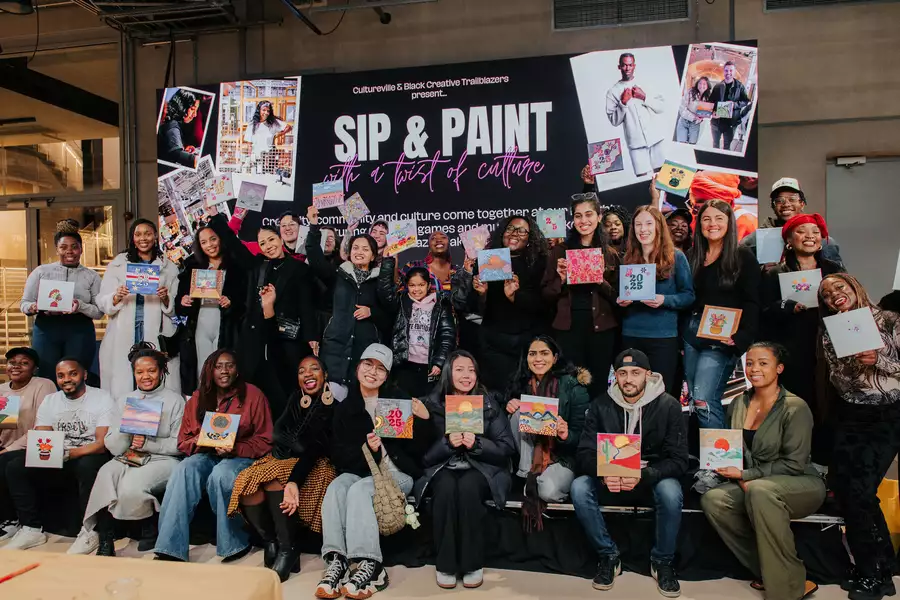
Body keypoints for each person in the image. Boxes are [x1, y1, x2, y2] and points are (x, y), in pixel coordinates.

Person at [701, 342, 823, 600]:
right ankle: (772, 571)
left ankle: (786, 591)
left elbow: (795, 464)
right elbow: (732, 448)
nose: (754, 369)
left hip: (800, 483)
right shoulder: (737, 403)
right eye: (749, 363)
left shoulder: (795, 407)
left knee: (759, 491)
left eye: (763, 363)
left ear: (779, 368)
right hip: (756, 484)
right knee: (714, 499)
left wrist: (747, 476)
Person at [316, 344, 429, 600]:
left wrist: (423, 420)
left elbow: (419, 449)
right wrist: (367, 449)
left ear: (387, 375)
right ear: (357, 368)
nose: (373, 372)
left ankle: (371, 565)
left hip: (396, 474)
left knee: (359, 490)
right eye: (368, 364)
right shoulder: (346, 408)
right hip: (360, 470)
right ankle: (337, 560)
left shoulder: (397, 401)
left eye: (380, 368)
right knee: (336, 486)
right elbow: (339, 456)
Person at [570, 349, 688, 596]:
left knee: (671, 491)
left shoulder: (669, 405)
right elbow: (583, 454)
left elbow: (678, 461)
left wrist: (642, 475)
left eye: (636, 373)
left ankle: (662, 561)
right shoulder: (601, 404)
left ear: (648, 374)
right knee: (579, 487)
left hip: (650, 476)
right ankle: (609, 556)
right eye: (622, 373)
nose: (628, 379)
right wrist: (604, 473)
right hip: (611, 476)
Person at [820, 273, 900, 599]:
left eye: (839, 286)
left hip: (888, 415)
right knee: (845, 488)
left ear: (854, 287)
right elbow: (838, 380)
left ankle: (873, 574)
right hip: (851, 415)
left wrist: (878, 357)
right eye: (826, 294)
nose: (834, 294)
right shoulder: (830, 332)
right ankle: (882, 566)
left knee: (861, 493)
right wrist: (853, 361)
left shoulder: (891, 320)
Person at [154, 350, 273, 562]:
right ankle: (169, 547)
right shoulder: (199, 397)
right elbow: (183, 441)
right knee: (184, 469)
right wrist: (202, 441)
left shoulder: (253, 395)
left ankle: (234, 542)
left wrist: (236, 448)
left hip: (240, 456)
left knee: (221, 475)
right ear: (210, 370)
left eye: (230, 365)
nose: (224, 371)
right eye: (218, 366)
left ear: (237, 370)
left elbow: (265, 440)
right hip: (206, 454)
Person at [69, 343, 185, 557]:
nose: (145, 376)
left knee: (130, 487)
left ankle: (150, 524)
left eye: (151, 370)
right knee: (105, 474)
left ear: (162, 371)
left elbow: (179, 445)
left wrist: (149, 444)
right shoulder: (124, 400)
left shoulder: (175, 400)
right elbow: (112, 446)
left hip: (163, 459)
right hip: (128, 456)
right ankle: (103, 536)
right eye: (139, 372)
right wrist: (126, 430)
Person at [229, 355, 337, 582]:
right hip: (284, 458)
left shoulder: (334, 407)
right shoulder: (295, 398)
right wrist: (295, 443)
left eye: (314, 369)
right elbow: (277, 432)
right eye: (301, 371)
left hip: (315, 464)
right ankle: (270, 540)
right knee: (247, 481)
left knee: (273, 478)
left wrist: (294, 451)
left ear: (325, 375)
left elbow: (314, 448)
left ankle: (288, 549)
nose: (307, 374)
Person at [416, 350, 516, 589]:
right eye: (460, 369)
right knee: (447, 488)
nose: (466, 375)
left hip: (482, 468)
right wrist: (447, 444)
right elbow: (422, 457)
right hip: (443, 467)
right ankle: (446, 564)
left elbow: (507, 447)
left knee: (469, 487)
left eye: (471, 370)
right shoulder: (430, 404)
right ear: (448, 373)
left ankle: (472, 564)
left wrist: (478, 444)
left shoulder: (488, 402)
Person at [207, 214, 317, 418]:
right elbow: (234, 244)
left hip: (287, 338)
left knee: (287, 388)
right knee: (252, 387)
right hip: (255, 337)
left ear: (280, 239)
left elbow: (306, 305)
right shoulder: (257, 266)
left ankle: (286, 434)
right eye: (263, 243)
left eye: (271, 240)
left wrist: (312, 338)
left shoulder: (299, 269)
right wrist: (217, 222)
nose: (268, 246)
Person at [3, 358, 115, 550]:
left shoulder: (102, 397)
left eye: (73, 373)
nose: (66, 379)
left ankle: (90, 531)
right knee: (15, 467)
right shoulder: (51, 400)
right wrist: (51, 454)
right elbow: (43, 435)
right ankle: (31, 529)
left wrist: (69, 453)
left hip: (88, 453)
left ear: (84, 375)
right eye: (61, 376)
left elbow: (100, 444)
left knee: (87, 466)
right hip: (58, 453)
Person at [760, 213, 843, 456]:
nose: (810, 237)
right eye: (802, 231)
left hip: (828, 350)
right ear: (788, 239)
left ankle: (823, 465)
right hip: (792, 350)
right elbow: (763, 312)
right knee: (794, 406)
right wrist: (786, 306)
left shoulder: (833, 270)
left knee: (827, 405)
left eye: (815, 232)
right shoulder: (774, 273)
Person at [684, 200, 759, 429]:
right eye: (706, 219)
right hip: (690, 334)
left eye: (719, 218)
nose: (712, 224)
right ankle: (704, 457)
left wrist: (742, 337)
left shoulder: (742, 256)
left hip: (721, 337)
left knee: (704, 399)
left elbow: (754, 302)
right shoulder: (690, 256)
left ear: (729, 223)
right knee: (694, 403)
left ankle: (718, 463)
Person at [454, 213, 549, 391]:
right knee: (496, 392)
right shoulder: (488, 260)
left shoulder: (539, 263)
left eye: (522, 231)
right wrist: (481, 293)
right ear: (502, 232)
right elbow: (473, 307)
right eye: (511, 228)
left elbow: (543, 305)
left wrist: (514, 296)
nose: (515, 233)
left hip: (526, 342)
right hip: (493, 342)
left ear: (530, 238)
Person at [306, 206, 396, 387]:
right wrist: (314, 226)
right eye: (356, 248)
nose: (359, 252)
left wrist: (372, 312)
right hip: (335, 350)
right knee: (332, 402)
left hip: (366, 353)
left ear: (373, 255)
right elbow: (315, 259)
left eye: (365, 249)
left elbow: (391, 313)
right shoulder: (338, 274)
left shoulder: (379, 279)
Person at [542, 193, 619, 395]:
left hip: (601, 328)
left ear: (599, 216)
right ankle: (573, 426)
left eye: (589, 214)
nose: (583, 221)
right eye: (578, 216)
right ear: (572, 219)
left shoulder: (609, 253)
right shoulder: (560, 251)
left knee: (599, 384)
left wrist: (601, 279)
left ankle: (597, 425)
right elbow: (546, 295)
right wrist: (562, 279)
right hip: (569, 328)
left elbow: (619, 298)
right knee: (571, 383)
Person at [505, 336, 590, 515]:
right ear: (526, 358)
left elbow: (584, 438)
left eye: (544, 353)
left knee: (548, 492)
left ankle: (545, 480)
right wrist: (510, 404)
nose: (538, 359)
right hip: (530, 456)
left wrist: (565, 435)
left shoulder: (574, 387)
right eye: (532, 354)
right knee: (517, 412)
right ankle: (527, 474)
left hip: (562, 456)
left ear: (555, 358)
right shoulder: (521, 384)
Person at [98, 219, 181, 399]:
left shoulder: (169, 268)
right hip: (123, 333)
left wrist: (166, 298)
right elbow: (102, 301)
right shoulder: (118, 266)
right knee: (124, 383)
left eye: (148, 233)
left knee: (154, 378)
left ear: (156, 237)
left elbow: (176, 311)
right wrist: (116, 296)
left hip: (156, 332)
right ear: (132, 238)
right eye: (138, 234)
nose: (143, 238)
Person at [618, 206, 695, 394]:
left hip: (663, 337)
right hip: (631, 335)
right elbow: (619, 296)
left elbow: (689, 296)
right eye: (638, 224)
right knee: (632, 393)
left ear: (659, 226)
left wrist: (664, 300)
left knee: (662, 393)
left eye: (648, 224)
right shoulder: (628, 259)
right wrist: (621, 301)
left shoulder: (676, 257)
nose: (643, 229)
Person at [20, 230, 103, 381]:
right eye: (63, 247)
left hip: (80, 330)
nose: (69, 251)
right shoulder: (41, 271)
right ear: (57, 249)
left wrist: (80, 305)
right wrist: (34, 307)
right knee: (45, 375)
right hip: (46, 329)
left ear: (81, 249)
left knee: (77, 374)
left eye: (74, 246)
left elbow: (99, 312)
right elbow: (24, 303)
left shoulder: (92, 276)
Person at [175, 224, 245, 396]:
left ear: (220, 239)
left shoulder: (236, 266)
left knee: (226, 369)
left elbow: (245, 300)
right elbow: (179, 301)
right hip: (200, 325)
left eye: (213, 239)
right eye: (204, 242)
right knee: (203, 368)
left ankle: (227, 408)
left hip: (227, 326)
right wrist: (183, 301)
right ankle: (204, 409)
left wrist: (231, 302)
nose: (210, 245)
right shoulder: (192, 266)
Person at [0, 348, 57, 522]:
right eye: (12, 362)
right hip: (6, 446)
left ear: (35, 368)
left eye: (24, 363)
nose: (16, 366)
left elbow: (42, 428)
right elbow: (5, 425)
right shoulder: (2, 389)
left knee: (6, 463)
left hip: (37, 446)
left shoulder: (43, 385)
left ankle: (12, 520)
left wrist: (8, 449)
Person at [740, 177, 842, 267]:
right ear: (773, 206)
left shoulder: (824, 242)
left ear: (802, 204)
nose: (786, 204)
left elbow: (840, 279)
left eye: (792, 199)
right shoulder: (754, 241)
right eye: (779, 200)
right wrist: (760, 271)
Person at [390, 266, 456, 397]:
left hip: (430, 366)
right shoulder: (402, 301)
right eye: (412, 285)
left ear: (428, 285)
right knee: (404, 403)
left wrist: (439, 362)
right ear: (406, 286)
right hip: (405, 364)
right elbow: (385, 292)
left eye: (421, 285)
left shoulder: (440, 304)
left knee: (427, 404)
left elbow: (447, 335)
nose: (416, 289)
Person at [605, 52, 666, 177]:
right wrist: (623, 103)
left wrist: (644, 96)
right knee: (643, 180)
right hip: (636, 144)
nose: (627, 68)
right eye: (624, 65)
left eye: (630, 65)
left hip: (656, 138)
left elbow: (661, 107)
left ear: (634, 66)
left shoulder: (646, 83)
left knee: (664, 177)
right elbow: (614, 121)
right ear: (619, 67)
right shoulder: (613, 92)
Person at [688, 171, 757, 241]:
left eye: (701, 205)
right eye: (694, 205)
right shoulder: (693, 217)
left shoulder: (746, 224)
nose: (695, 211)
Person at [398, 230, 459, 299]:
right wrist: (394, 259)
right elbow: (396, 287)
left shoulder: (457, 271)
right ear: (429, 245)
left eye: (443, 237)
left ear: (448, 243)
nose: (438, 240)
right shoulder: (413, 266)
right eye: (433, 238)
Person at [227, 208, 306, 260]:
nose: (287, 228)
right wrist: (237, 218)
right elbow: (228, 241)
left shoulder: (311, 251)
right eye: (283, 225)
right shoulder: (267, 247)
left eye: (292, 224)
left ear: (300, 227)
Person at [709, 61, 751, 151]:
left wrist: (734, 105)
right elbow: (711, 102)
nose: (728, 73)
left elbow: (746, 101)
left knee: (727, 147)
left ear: (734, 71)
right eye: (726, 70)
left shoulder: (740, 87)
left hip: (731, 124)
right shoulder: (717, 86)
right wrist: (712, 113)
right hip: (717, 122)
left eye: (731, 70)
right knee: (715, 144)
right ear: (723, 71)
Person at [243, 100, 293, 175]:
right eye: (264, 110)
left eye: (268, 111)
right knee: (258, 177)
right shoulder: (252, 124)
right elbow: (249, 144)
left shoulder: (273, 122)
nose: (266, 113)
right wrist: (250, 159)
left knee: (270, 177)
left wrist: (277, 135)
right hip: (256, 157)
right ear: (258, 110)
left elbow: (288, 127)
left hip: (270, 156)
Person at [158, 89, 201, 169]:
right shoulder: (172, 125)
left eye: (196, 110)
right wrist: (195, 159)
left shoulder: (170, 122)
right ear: (182, 106)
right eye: (192, 109)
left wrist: (182, 149)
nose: (195, 114)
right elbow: (175, 153)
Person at [675, 76, 712, 144]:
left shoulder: (708, 98)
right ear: (697, 84)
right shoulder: (690, 92)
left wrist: (709, 115)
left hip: (695, 124)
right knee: (681, 143)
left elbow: (708, 112)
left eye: (704, 84)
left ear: (707, 86)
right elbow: (682, 108)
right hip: (684, 121)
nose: (701, 85)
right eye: (700, 83)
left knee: (692, 144)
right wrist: (693, 117)